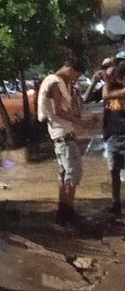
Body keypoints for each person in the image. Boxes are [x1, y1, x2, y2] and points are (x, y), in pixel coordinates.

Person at [37, 59, 87, 226]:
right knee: (73, 174)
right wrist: (79, 122)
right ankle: (67, 213)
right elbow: (58, 110)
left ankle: (64, 213)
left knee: (65, 174)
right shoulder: (55, 82)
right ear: (71, 69)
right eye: (76, 76)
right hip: (63, 135)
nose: (75, 79)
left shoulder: (56, 82)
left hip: (60, 136)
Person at [103, 60, 125, 217]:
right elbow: (89, 97)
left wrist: (106, 79)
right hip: (113, 137)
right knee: (114, 172)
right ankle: (116, 203)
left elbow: (106, 95)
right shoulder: (114, 86)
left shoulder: (114, 90)